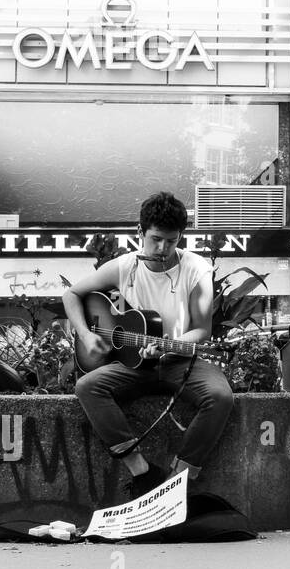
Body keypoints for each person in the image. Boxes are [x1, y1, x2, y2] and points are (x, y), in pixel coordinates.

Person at [62, 192, 231, 497]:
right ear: (140, 232)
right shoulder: (124, 266)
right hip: (135, 364)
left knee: (220, 396)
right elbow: (71, 295)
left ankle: (179, 480)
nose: (163, 248)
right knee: (87, 387)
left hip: (180, 361)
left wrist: (171, 345)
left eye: (172, 240)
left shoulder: (197, 269)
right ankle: (142, 472)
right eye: (156, 239)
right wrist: (87, 335)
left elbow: (202, 329)